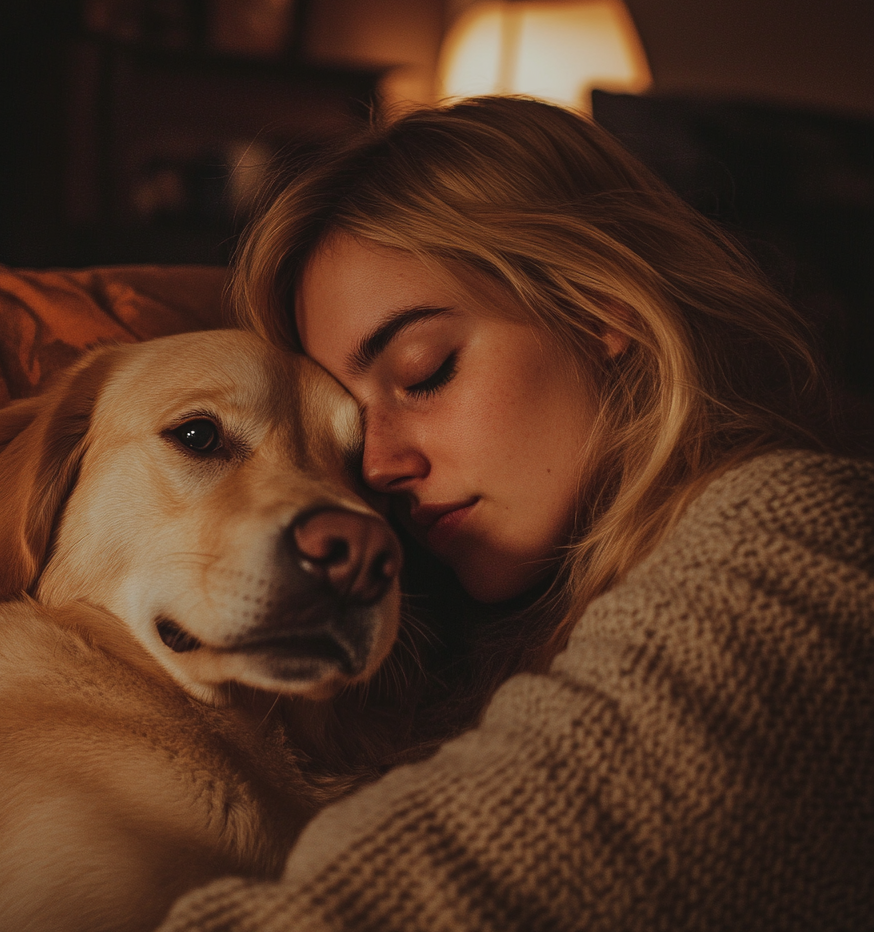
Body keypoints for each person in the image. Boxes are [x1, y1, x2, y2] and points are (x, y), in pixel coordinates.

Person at [154, 97, 874, 931]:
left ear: (599, 306)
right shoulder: (465, 638)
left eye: (423, 371)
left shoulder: (803, 539)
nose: (380, 467)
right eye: (351, 436)